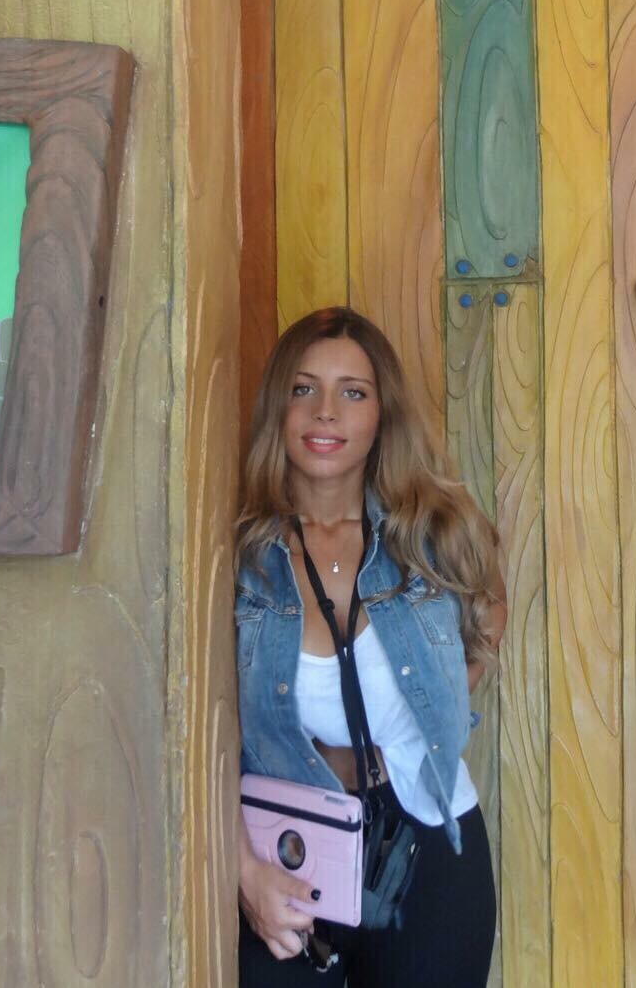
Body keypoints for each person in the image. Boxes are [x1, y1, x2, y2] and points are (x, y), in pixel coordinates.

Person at [233, 307, 504, 985]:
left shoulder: (430, 535)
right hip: (282, 851)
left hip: (426, 839)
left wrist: (428, 713)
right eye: (303, 388)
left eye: (352, 392)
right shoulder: (237, 560)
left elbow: (488, 612)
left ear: (383, 414)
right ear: (277, 407)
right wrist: (243, 872)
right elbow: (192, 735)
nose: (325, 411)